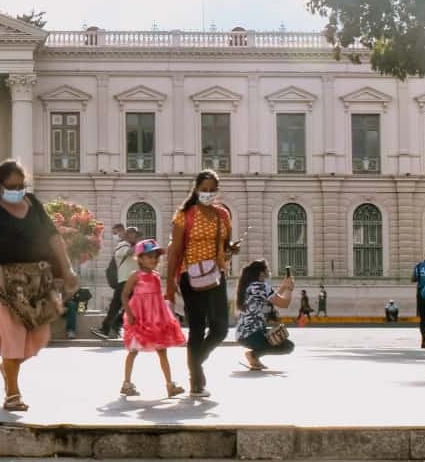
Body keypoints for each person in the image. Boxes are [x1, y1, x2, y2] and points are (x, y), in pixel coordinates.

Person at [0, 159, 75, 412]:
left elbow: (53, 236)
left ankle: (8, 367)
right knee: (12, 339)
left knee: (39, 337)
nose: (17, 189)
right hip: (3, 282)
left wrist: (67, 269)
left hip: (37, 281)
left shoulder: (33, 204)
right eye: (12, 186)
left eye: (21, 185)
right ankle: (12, 393)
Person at [164, 170, 239, 398]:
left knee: (220, 329)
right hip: (190, 276)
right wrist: (169, 282)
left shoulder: (222, 215)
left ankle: (196, 362)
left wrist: (231, 250)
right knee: (197, 328)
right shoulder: (184, 215)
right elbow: (175, 250)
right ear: (195, 189)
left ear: (217, 191)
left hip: (216, 274)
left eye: (211, 190)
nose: (207, 193)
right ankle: (197, 380)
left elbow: (225, 246)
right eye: (203, 189)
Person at [117, 240, 184, 398]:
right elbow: (124, 295)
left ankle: (170, 385)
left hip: (157, 319)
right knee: (133, 351)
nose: (154, 260)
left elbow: (157, 298)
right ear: (139, 258)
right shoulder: (135, 276)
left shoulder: (156, 276)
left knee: (162, 351)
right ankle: (126, 384)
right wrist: (130, 314)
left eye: (155, 257)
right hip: (140, 318)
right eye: (149, 257)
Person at [233, 260, 297, 371]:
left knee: (283, 342)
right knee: (288, 346)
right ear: (261, 273)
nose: (269, 272)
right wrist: (290, 288)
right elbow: (284, 303)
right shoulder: (261, 286)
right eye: (267, 269)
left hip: (243, 334)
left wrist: (283, 286)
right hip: (252, 335)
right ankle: (253, 355)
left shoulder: (250, 286)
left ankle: (254, 356)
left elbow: (270, 300)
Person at [94, 225, 144, 340]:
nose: (135, 236)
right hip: (125, 281)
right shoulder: (123, 245)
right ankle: (109, 328)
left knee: (129, 306)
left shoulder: (134, 246)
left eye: (136, 235)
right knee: (117, 306)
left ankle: (110, 328)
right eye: (133, 234)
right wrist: (138, 242)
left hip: (132, 281)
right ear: (128, 235)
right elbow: (130, 253)